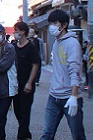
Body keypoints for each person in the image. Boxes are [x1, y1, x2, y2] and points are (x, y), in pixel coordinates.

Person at [39, 9, 86, 140]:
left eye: (55, 23)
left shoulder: (72, 44)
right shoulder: (56, 42)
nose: (51, 26)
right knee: (47, 133)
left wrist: (74, 96)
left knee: (77, 135)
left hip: (70, 97)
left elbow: (75, 71)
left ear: (64, 25)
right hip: (54, 96)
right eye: (50, 23)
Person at [12, 21, 40, 140]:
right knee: (17, 110)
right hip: (15, 84)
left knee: (24, 110)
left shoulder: (31, 47)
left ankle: (22, 136)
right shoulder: (13, 47)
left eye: (17, 30)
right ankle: (26, 132)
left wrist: (29, 82)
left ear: (23, 32)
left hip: (26, 83)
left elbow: (35, 65)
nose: (15, 33)